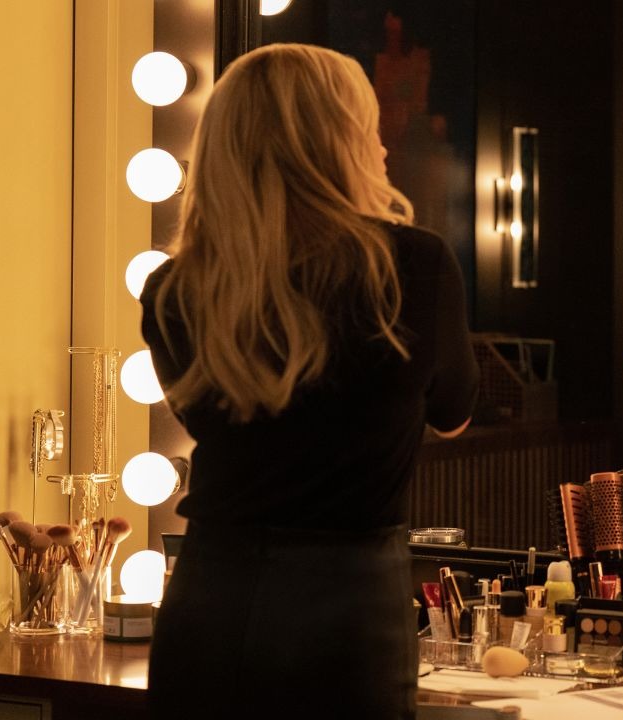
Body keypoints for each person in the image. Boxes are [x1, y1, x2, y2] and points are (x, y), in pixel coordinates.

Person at [140, 44, 478, 718]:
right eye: (366, 128)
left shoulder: (175, 287)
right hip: (348, 617)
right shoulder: (412, 267)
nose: (382, 148)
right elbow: (453, 413)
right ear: (333, 144)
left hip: (208, 603)